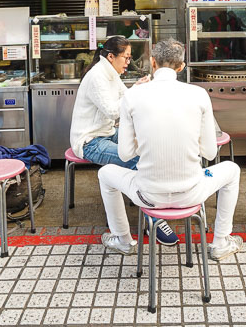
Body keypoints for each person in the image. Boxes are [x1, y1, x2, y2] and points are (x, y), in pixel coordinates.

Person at [97, 38, 243, 261]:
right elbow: (210, 154)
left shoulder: (133, 96)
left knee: (105, 174)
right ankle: (221, 242)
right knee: (232, 169)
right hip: (191, 193)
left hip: (146, 195)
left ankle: (123, 240)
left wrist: (145, 141)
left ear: (153, 63)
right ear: (182, 66)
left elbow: (125, 154)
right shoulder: (198, 95)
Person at [69, 35, 177, 244]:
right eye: (126, 58)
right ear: (111, 56)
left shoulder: (111, 73)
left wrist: (137, 87)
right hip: (90, 141)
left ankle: (151, 205)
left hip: (107, 132)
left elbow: (125, 99)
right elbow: (112, 111)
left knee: (147, 150)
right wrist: (136, 90)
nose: (128, 62)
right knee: (138, 161)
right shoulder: (97, 76)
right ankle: (154, 218)